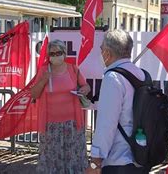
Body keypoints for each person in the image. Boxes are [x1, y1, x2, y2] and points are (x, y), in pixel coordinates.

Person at [86, 30, 148, 174]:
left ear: (107, 53)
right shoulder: (142, 74)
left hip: (118, 159)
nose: (100, 53)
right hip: (140, 155)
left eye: (101, 49)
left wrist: (95, 162)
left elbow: (106, 123)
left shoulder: (113, 78)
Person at [31, 39, 91, 174]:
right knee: (52, 158)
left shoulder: (73, 69)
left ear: (64, 53)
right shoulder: (43, 71)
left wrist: (84, 90)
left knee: (73, 156)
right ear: (48, 56)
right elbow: (34, 94)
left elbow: (86, 85)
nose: (55, 56)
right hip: (50, 125)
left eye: (58, 52)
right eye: (52, 53)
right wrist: (44, 80)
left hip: (72, 124)